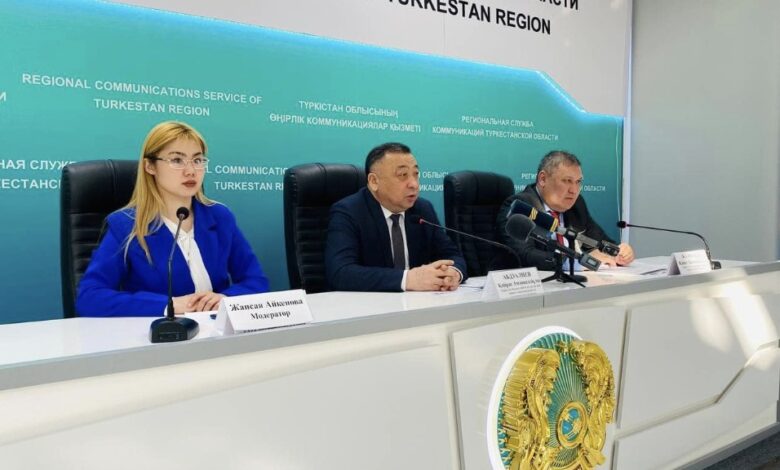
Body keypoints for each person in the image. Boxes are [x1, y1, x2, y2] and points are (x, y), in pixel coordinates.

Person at [76, 121, 269, 317]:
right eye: (177, 160)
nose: (191, 171)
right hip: (158, 332)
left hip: (215, 329)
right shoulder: (126, 225)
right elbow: (90, 297)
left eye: (198, 160)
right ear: (150, 166)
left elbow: (256, 281)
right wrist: (169, 306)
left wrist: (226, 299)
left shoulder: (219, 216)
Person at [325, 142, 467, 292]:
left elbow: (453, 256)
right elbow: (340, 272)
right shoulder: (349, 212)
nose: (414, 184)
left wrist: (453, 273)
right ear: (374, 181)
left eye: (416, 174)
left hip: (419, 302)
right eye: (402, 175)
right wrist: (408, 279)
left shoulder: (423, 209)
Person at [495, 150, 634, 271]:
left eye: (578, 182)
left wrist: (619, 252)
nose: (574, 190)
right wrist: (577, 260)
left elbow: (600, 241)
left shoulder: (576, 205)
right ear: (543, 179)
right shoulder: (521, 207)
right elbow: (525, 255)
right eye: (567, 181)